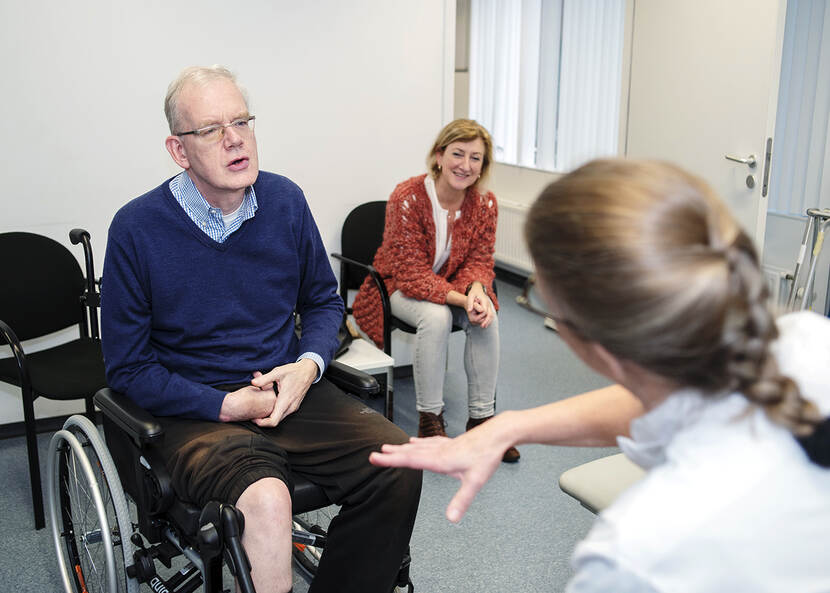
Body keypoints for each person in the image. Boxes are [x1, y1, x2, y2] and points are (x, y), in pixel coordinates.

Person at [370, 159, 830, 592]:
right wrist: (510, 425)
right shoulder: (808, 337)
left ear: (589, 342)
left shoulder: (635, 555)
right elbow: (670, 399)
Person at [100, 65, 421, 593]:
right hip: (196, 411)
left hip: (288, 393)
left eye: (242, 122)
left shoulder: (285, 202)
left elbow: (321, 302)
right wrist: (225, 405)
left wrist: (306, 367)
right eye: (210, 130)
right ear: (179, 151)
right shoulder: (137, 229)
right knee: (269, 500)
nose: (234, 140)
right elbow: (128, 367)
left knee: (398, 462)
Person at [351, 119, 520, 462]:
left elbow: (479, 260)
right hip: (398, 286)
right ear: (440, 155)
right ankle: (430, 422)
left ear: (482, 166)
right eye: (458, 154)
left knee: (487, 315)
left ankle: (482, 420)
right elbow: (410, 273)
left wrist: (476, 292)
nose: (465, 165)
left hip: (453, 285)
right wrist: (464, 298)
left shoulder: (485, 203)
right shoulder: (408, 197)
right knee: (437, 316)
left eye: (476, 158)